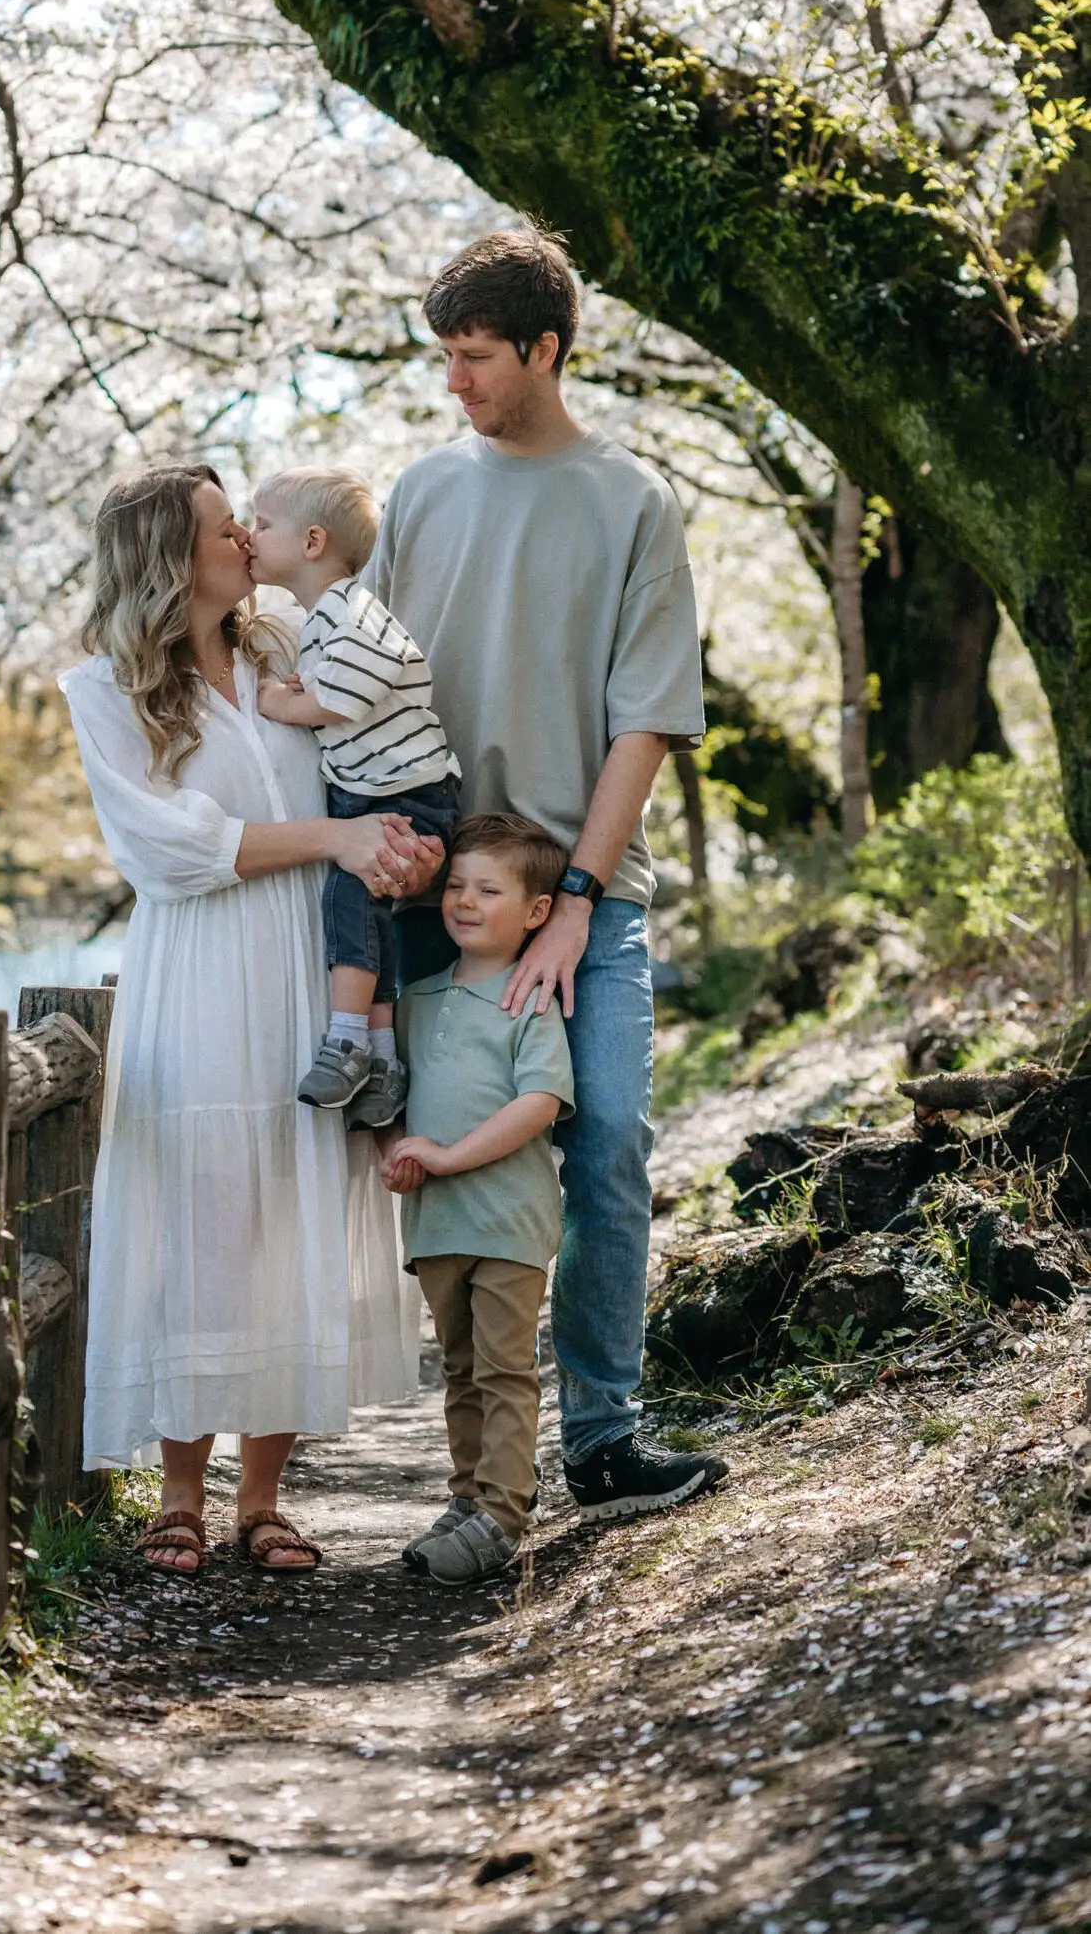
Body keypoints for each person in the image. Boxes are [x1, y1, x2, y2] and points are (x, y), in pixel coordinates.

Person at [367, 227, 731, 1519]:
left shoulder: (632, 500)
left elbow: (647, 715)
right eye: (445, 356)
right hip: (437, 892)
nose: (454, 380)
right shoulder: (420, 493)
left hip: (588, 892)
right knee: (399, 1140)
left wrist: (575, 900)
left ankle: (604, 1438)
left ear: (545, 350)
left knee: (611, 1141)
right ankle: (433, 1457)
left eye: (474, 357)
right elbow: (374, 688)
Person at [60, 462, 431, 1577]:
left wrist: (396, 847)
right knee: (204, 1214)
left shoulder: (288, 650)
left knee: (296, 1207)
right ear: (170, 558)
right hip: (204, 967)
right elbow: (166, 850)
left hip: (321, 964)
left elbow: (365, 774)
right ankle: (179, 1492)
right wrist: (334, 842)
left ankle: (262, 1497)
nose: (247, 539)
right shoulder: (103, 688)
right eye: (225, 529)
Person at [379, 813, 575, 1586]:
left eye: (487, 889)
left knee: (503, 1368)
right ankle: (467, 1497)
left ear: (535, 913)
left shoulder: (530, 997)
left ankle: (503, 1512)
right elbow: (393, 1104)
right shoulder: (417, 997)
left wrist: (451, 1156)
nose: (463, 899)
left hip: (507, 1218)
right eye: (455, 885)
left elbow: (542, 1101)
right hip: (437, 1222)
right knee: (458, 1369)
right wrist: (396, 1150)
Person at [247, 466, 460, 1128]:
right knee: (370, 916)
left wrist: (280, 703)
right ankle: (380, 1056)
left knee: (349, 898)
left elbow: (341, 700)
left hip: (409, 793)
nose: (248, 536)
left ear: (312, 542)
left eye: (260, 524)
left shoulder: (353, 611)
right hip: (376, 793)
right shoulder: (322, 617)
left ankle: (346, 1040)